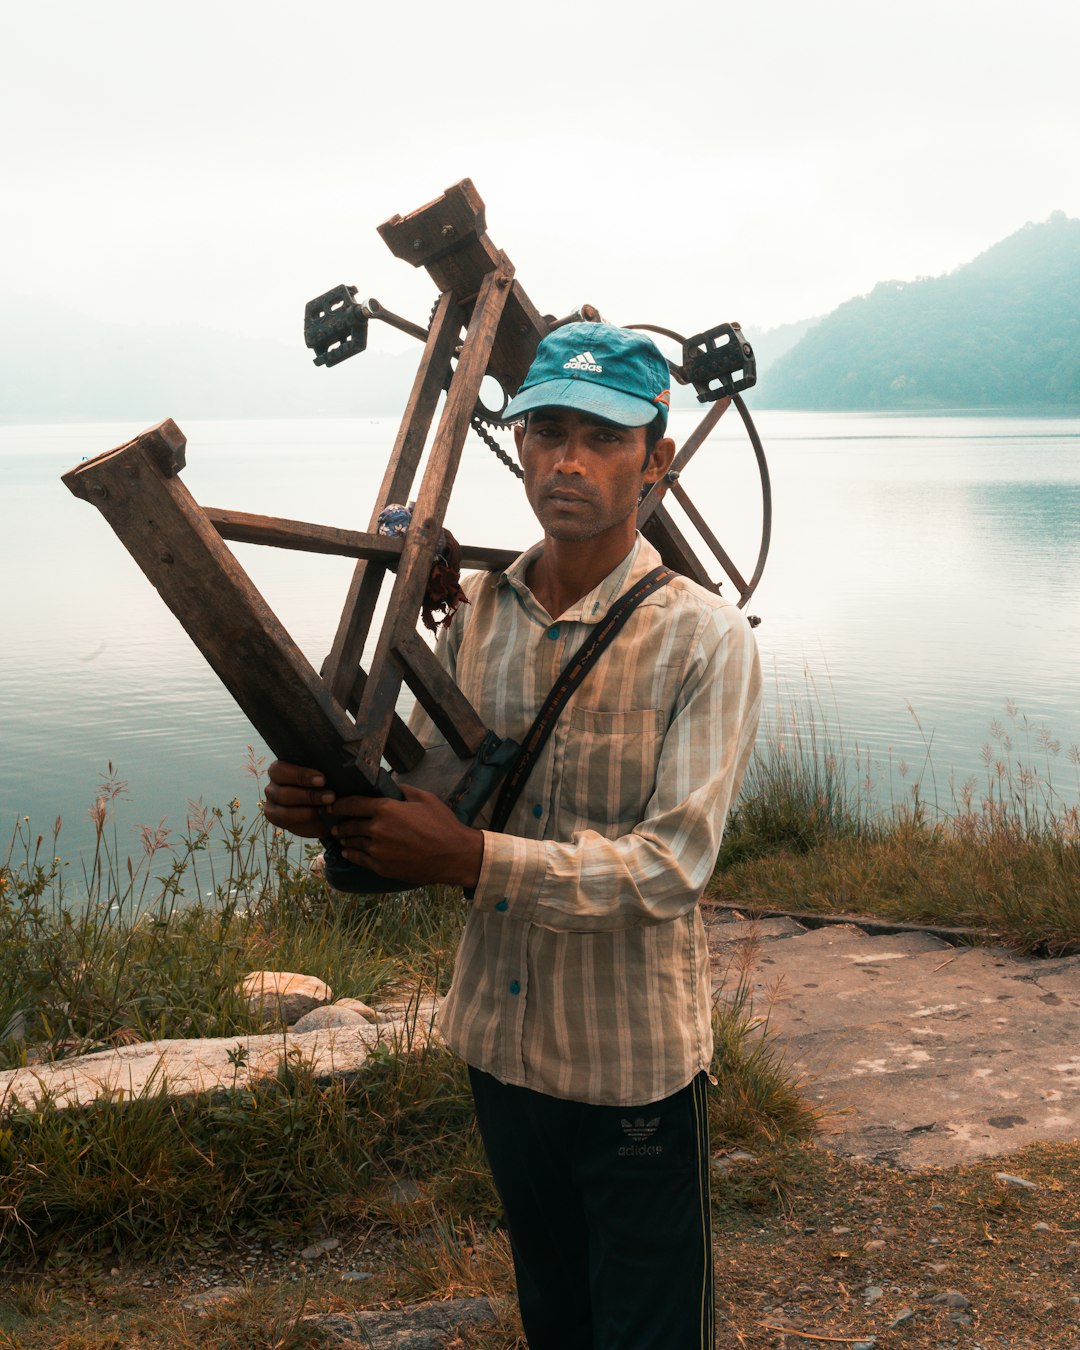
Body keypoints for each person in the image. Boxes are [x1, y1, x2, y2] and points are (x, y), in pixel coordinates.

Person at [263, 322, 762, 1349]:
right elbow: (449, 794)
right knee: (553, 1312)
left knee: (652, 1327)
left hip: (633, 1067)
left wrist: (469, 860)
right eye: (545, 433)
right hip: (499, 1047)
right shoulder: (481, 612)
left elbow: (672, 867)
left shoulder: (703, 637)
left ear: (655, 458)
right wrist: (336, 804)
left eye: (602, 437)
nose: (566, 460)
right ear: (519, 446)